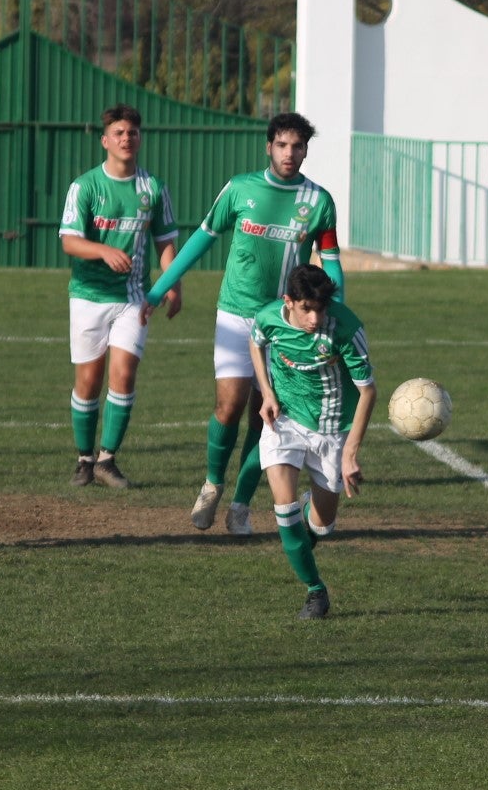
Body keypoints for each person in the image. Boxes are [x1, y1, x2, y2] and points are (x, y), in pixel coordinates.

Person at [145, 112, 344, 536]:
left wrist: (335, 311)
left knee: (265, 418)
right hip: (235, 313)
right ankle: (213, 485)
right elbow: (200, 238)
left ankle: (240, 504)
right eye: (283, 145)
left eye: (299, 147)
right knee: (228, 406)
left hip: (285, 325)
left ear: (306, 150)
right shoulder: (240, 189)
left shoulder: (319, 201)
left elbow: (331, 264)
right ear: (268, 146)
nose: (291, 154)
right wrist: (159, 289)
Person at [58, 103, 180, 488]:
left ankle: (108, 459)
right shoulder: (85, 186)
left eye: (133, 133)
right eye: (120, 133)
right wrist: (103, 250)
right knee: (89, 379)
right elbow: (69, 242)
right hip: (88, 295)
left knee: (124, 375)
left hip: (134, 297)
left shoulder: (153, 188)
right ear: (105, 140)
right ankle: (84, 459)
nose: (128, 138)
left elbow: (166, 242)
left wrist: (173, 283)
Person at [248, 264, 375, 619]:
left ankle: (310, 515)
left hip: (332, 429)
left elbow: (368, 392)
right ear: (288, 301)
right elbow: (256, 342)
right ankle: (316, 591)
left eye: (321, 309)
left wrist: (350, 452)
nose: (315, 318)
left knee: (321, 526)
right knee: (283, 510)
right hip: (285, 420)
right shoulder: (270, 317)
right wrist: (267, 394)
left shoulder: (346, 329)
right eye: (307, 309)